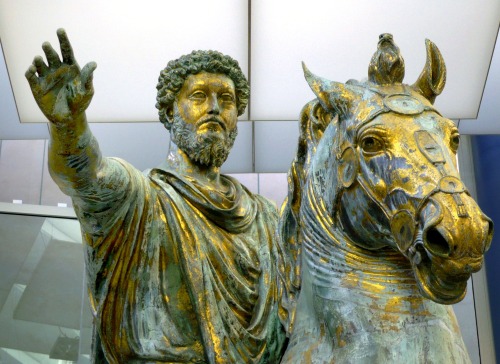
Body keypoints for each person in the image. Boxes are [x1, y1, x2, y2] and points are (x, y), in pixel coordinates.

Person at [26, 29, 287, 364]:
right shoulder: (139, 196)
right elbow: (86, 176)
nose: (214, 108)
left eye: (226, 100)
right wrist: (68, 125)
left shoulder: (266, 216)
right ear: (169, 112)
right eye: (198, 96)